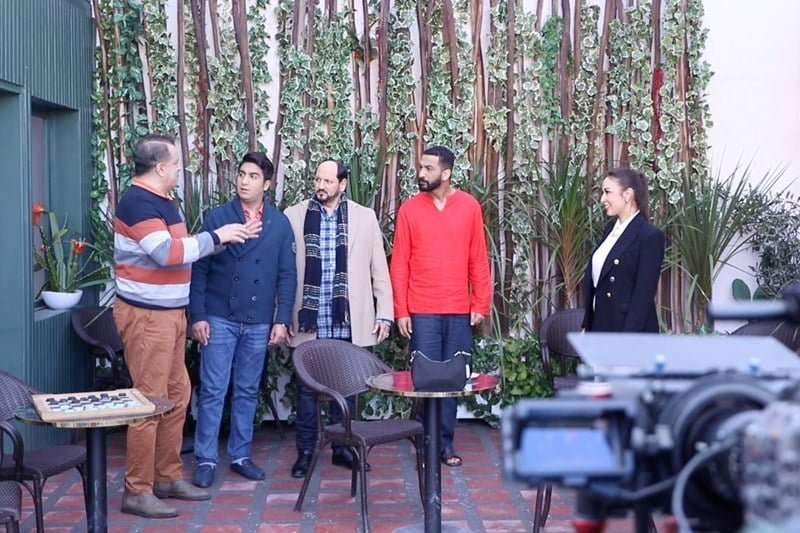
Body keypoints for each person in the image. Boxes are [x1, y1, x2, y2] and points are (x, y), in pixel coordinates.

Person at [113, 133, 261, 519]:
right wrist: (217, 235)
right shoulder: (138, 203)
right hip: (148, 318)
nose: (180, 169)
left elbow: (182, 250)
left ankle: (167, 477)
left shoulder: (162, 202)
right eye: (176, 164)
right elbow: (167, 253)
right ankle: (137, 490)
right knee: (149, 402)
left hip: (169, 316)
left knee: (177, 395)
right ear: (161, 167)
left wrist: (226, 238)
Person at [189, 152, 296, 488]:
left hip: (258, 319)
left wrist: (281, 319)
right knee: (213, 390)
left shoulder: (279, 224)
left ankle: (240, 455)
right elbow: (199, 270)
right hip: (219, 316)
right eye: (241, 174)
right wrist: (198, 316)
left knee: (248, 390)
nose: (244, 181)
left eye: (253, 176)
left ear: (267, 184)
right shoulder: (218, 217)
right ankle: (206, 459)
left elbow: (287, 275)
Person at [284, 159, 393, 478]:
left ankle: (343, 448)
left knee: (348, 386)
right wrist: (281, 314)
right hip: (308, 318)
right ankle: (306, 451)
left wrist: (385, 313)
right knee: (306, 390)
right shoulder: (294, 215)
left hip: (349, 317)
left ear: (342, 184)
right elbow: (283, 270)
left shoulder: (364, 217)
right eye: (317, 179)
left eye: (328, 181)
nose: (320, 185)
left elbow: (379, 269)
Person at [390, 145, 492, 468]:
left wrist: (480, 302)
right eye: (421, 167)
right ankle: (427, 444)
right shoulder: (409, 209)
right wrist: (401, 310)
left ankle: (445, 444)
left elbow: (478, 258)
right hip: (422, 311)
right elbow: (400, 264)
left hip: (459, 310)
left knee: (452, 380)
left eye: (429, 168)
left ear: (446, 173)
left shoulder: (469, 207)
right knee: (425, 381)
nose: (421, 173)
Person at [581, 167, 665, 332]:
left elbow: (643, 297)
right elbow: (598, 284)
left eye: (607, 192)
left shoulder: (649, 236)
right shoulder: (610, 230)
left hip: (627, 332)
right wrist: (587, 325)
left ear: (627, 195)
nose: (602, 199)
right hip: (601, 325)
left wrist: (626, 341)